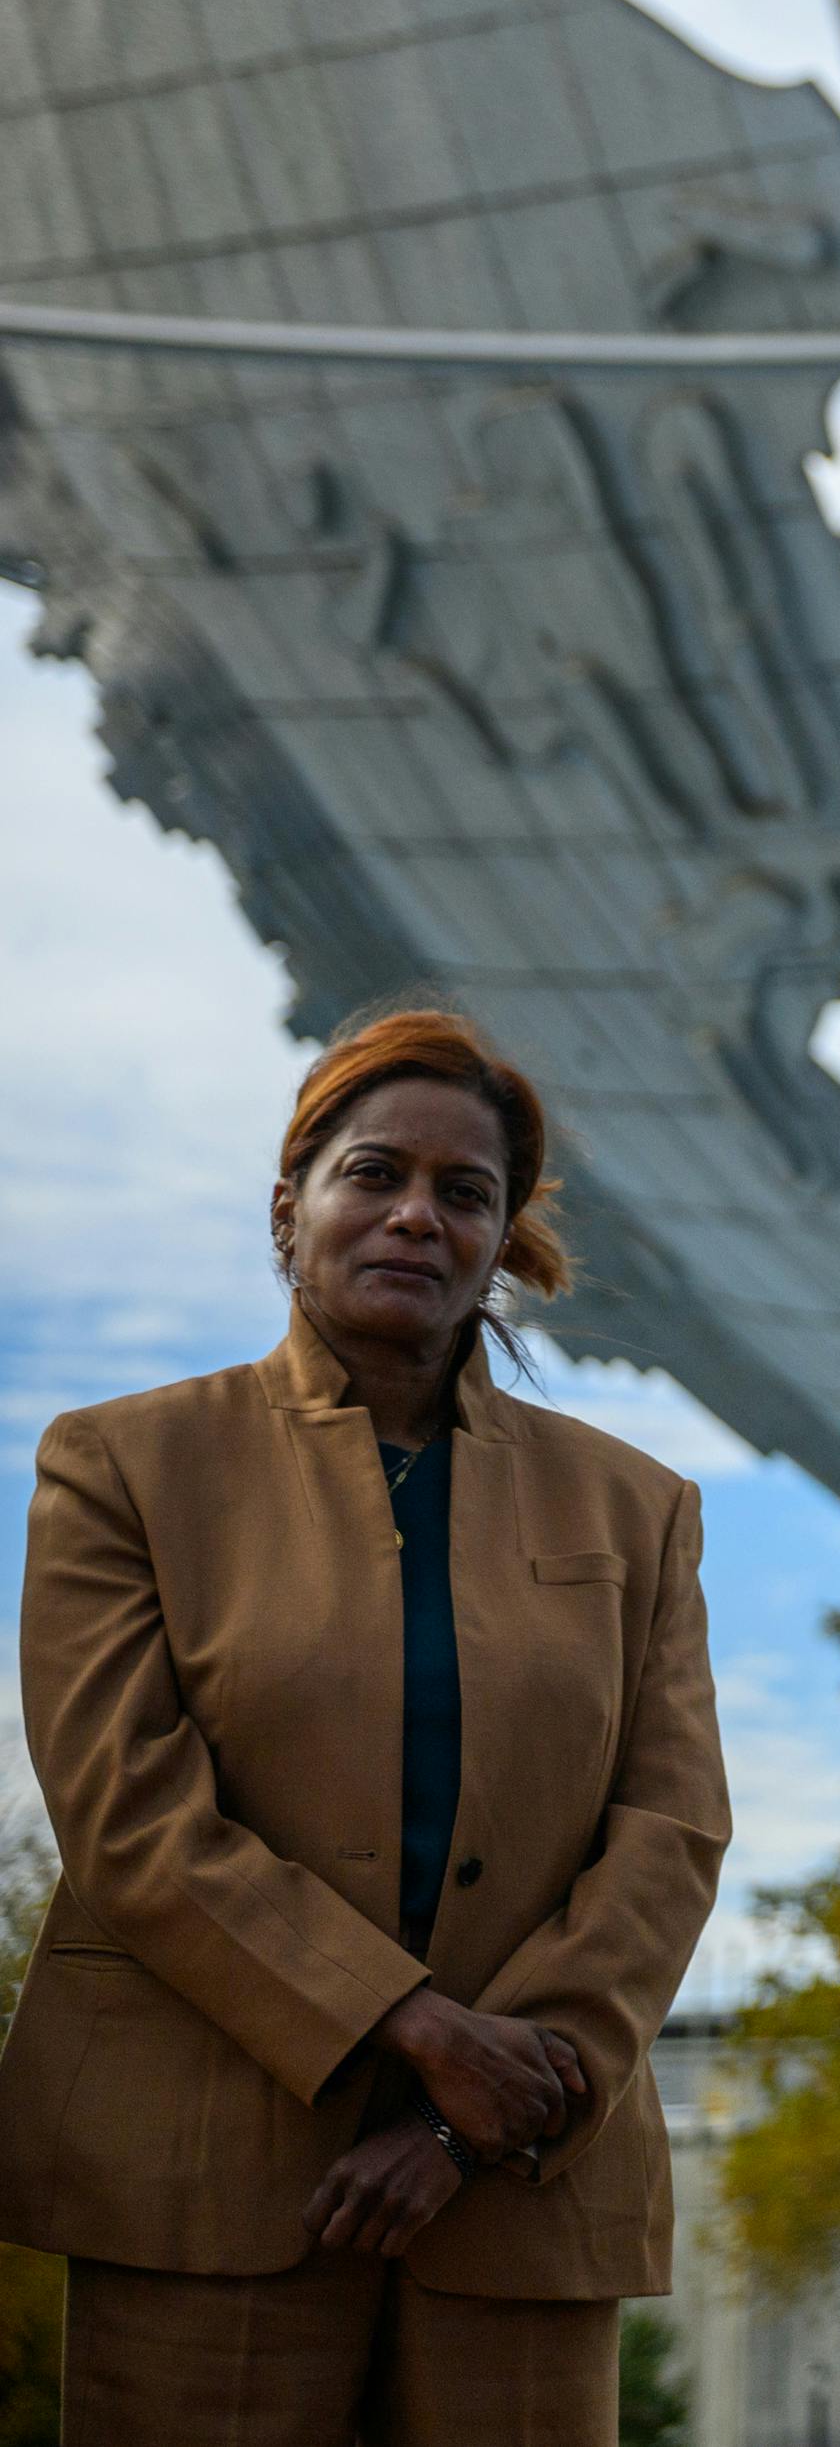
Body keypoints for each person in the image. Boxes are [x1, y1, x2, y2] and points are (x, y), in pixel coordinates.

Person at [0, 1008, 729, 2442]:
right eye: (372, 1171)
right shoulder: (122, 1467)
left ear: (502, 1236)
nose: (416, 1212)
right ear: (291, 1204)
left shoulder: (637, 1510)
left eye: (465, 1192)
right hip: (203, 2179)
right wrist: (405, 2023)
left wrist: (479, 2106)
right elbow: (130, 1817)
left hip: (519, 2189)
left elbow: (673, 1830)